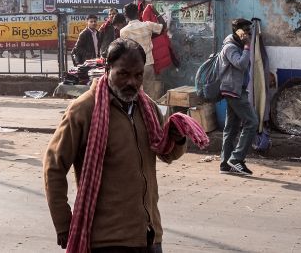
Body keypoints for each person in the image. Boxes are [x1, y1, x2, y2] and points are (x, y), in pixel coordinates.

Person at [44, 38, 207, 253]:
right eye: (123, 74)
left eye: (138, 75)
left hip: (149, 234)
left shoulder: (147, 107)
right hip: (107, 239)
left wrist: (177, 137)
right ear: (108, 69)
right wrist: (63, 223)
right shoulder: (83, 110)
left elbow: (167, 154)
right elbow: (54, 166)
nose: (132, 82)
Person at [217, 18, 258, 176]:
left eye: (250, 30)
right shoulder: (230, 47)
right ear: (238, 31)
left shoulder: (238, 44)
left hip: (235, 89)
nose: (248, 33)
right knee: (252, 122)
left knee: (231, 128)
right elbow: (240, 64)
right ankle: (236, 159)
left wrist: (246, 45)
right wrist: (247, 46)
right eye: (246, 31)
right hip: (233, 90)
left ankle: (225, 164)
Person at [119, 3, 163, 93]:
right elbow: (163, 27)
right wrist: (155, 12)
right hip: (148, 65)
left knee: (135, 94)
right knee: (150, 94)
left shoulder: (123, 32)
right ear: (138, 13)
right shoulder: (147, 25)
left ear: (125, 15)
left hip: (132, 67)